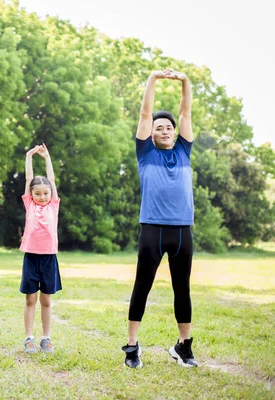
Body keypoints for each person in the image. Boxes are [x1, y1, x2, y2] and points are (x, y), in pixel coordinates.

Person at [122, 69, 198, 369]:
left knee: (183, 288)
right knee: (142, 285)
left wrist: (185, 83)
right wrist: (153, 78)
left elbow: (186, 112)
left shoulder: (184, 150)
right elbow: (144, 112)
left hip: (182, 231)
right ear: (150, 133)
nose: (165, 130)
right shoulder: (145, 154)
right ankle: (131, 348)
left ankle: (183, 346)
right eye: (159, 127)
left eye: (169, 127)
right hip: (152, 228)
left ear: (175, 132)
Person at [19, 144, 62, 354]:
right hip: (31, 257)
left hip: (49, 258)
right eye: (38, 193)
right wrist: (29, 156)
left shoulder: (53, 205)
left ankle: (46, 338)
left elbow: (51, 180)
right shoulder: (30, 204)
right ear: (32, 194)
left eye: (45, 193)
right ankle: (29, 338)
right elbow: (28, 179)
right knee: (30, 299)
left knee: (46, 300)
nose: (43, 196)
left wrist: (46, 157)